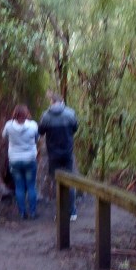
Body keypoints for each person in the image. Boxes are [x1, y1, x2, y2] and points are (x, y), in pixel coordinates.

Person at [38, 92, 78, 220]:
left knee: (58, 183)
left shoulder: (46, 116)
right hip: (67, 152)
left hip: (53, 154)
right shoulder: (70, 113)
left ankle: (61, 213)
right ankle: (71, 212)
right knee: (69, 182)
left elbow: (41, 131)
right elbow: (75, 128)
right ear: (62, 102)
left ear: (52, 102)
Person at [2, 104, 39, 220]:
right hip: (30, 160)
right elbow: (37, 138)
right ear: (27, 113)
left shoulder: (9, 125)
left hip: (15, 160)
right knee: (31, 186)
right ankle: (32, 212)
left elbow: (4, 136)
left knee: (19, 187)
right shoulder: (33, 125)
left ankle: (22, 212)